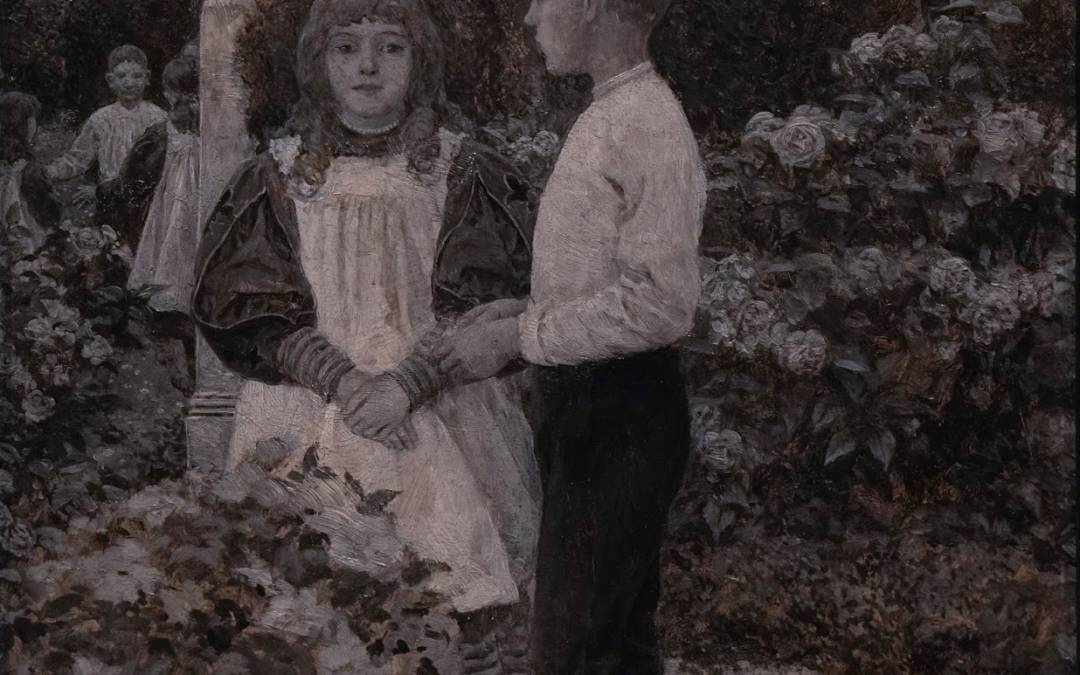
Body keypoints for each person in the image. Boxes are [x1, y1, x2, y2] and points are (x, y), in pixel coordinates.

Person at [191, 0, 539, 669]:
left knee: (453, 570)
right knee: (309, 587)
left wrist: (408, 384)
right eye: (346, 48)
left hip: (437, 396)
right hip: (309, 397)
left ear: (421, 60)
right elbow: (245, 304)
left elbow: (493, 303)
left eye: (391, 47)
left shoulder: (462, 168)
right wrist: (346, 382)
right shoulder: (279, 173)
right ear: (317, 62)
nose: (369, 66)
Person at [433, 0, 707, 671]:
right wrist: (518, 311)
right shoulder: (610, 111)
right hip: (589, 404)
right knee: (610, 644)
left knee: (573, 650)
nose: (529, 18)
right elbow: (599, 279)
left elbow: (661, 305)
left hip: (621, 410)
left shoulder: (646, 122)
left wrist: (520, 338)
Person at [101, 52, 200, 316]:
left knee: (178, 238)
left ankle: (179, 299)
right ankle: (172, 299)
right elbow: (134, 170)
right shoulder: (164, 129)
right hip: (174, 195)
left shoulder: (178, 126)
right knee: (171, 237)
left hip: (183, 195)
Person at [45, 44, 166, 232]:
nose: (129, 83)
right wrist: (47, 173)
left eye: (136, 76)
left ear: (147, 78)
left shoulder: (158, 118)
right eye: (121, 76)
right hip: (108, 204)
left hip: (147, 204)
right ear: (110, 80)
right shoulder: (100, 119)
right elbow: (78, 158)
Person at [1, 91, 60, 258]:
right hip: (28, 248)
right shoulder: (29, 169)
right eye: (32, 118)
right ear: (26, 125)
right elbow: (49, 216)